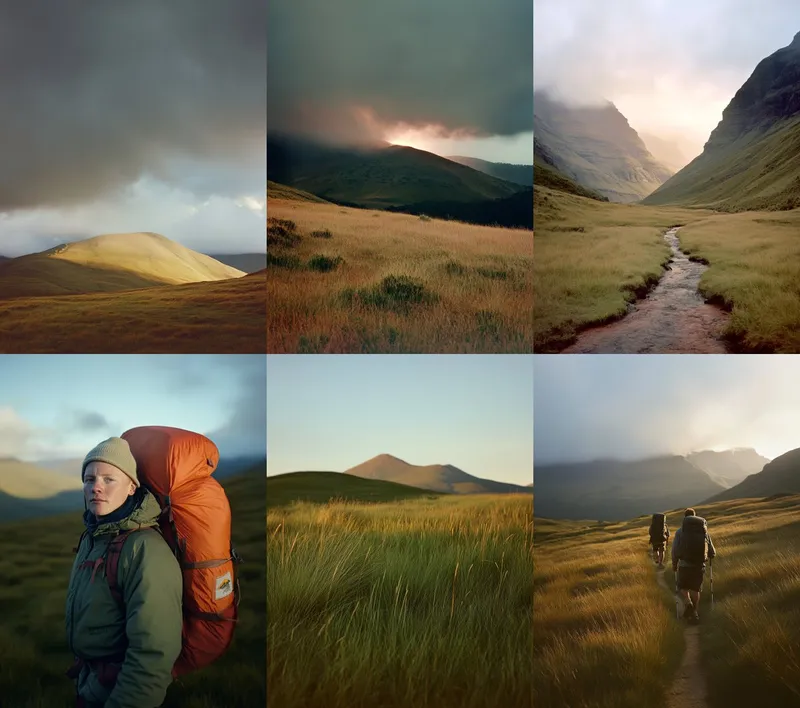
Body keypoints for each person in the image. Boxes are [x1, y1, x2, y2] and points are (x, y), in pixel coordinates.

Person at [65, 436, 183, 708]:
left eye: (109, 479)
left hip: (119, 691)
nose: (96, 487)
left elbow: (152, 656)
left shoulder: (145, 550)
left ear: (132, 487)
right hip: (91, 685)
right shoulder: (93, 537)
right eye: (89, 479)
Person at [671, 507, 716, 624]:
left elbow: (675, 550)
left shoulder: (680, 532)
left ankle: (688, 602)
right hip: (699, 566)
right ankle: (695, 612)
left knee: (683, 587)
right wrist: (710, 555)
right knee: (696, 589)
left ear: (685, 518)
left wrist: (674, 564)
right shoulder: (703, 531)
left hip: (684, 565)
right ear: (695, 517)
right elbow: (712, 550)